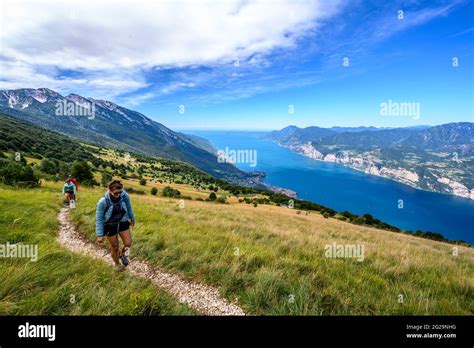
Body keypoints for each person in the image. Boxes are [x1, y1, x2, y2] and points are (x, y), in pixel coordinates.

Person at [96, 180, 135, 271]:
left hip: (122, 221)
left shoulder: (124, 195)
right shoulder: (102, 202)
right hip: (110, 225)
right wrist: (100, 235)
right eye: (116, 193)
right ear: (109, 191)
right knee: (115, 247)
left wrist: (132, 218)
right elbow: (99, 219)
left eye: (120, 192)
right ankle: (117, 264)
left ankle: (123, 255)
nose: (118, 195)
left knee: (128, 243)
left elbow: (129, 206)